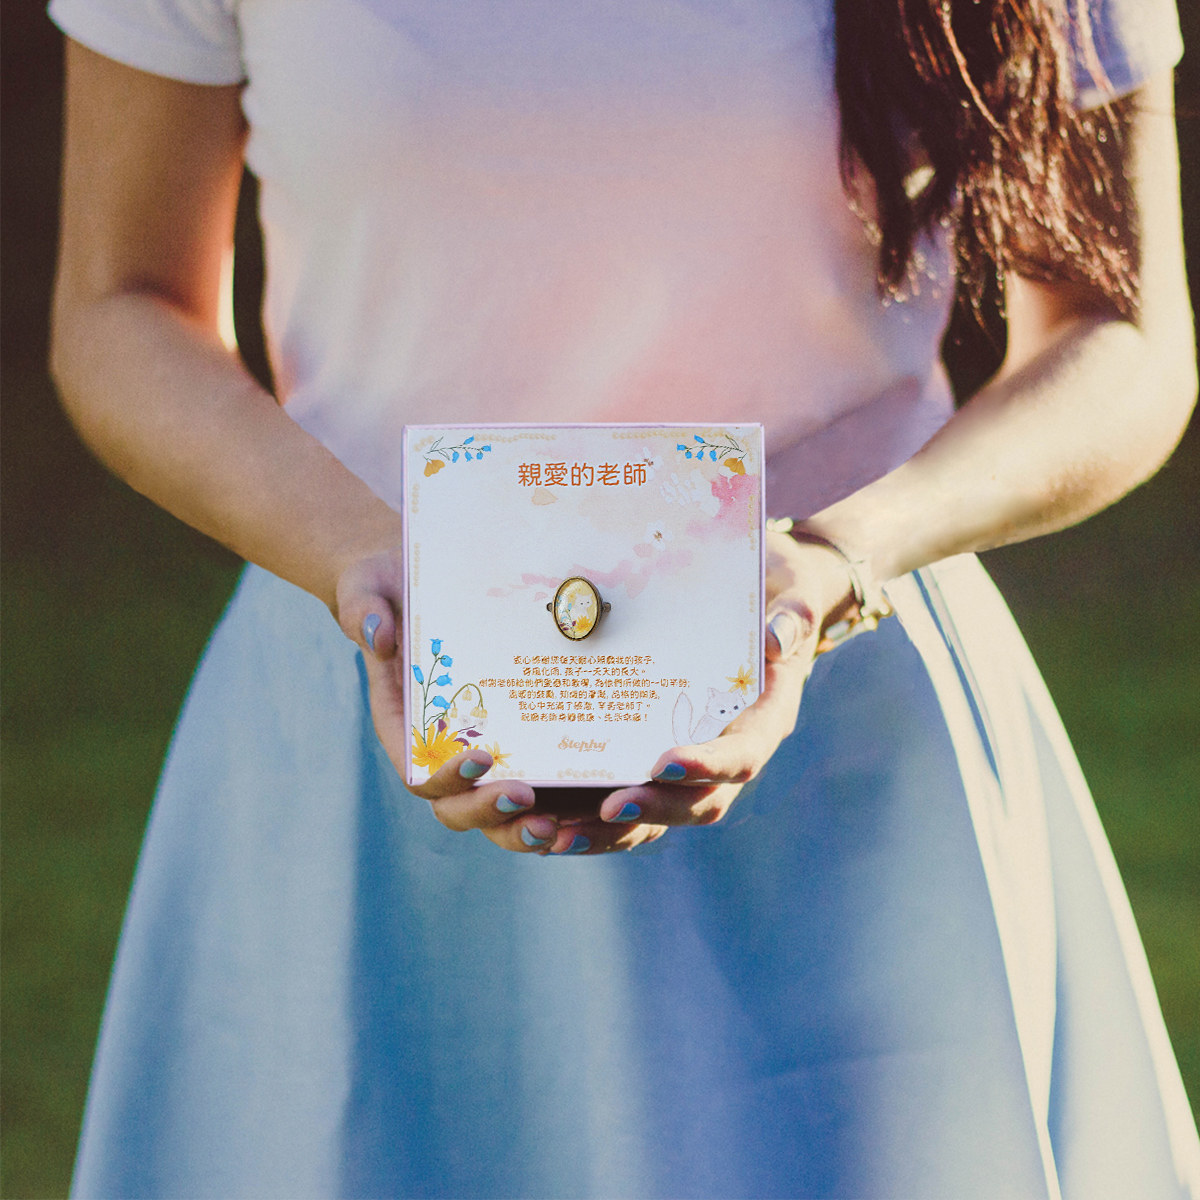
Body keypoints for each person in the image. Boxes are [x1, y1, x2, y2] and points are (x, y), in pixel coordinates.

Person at [48, 1, 1199, 1196]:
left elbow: (1120, 332)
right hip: (370, 715)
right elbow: (120, 302)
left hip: (842, 735)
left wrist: (843, 558)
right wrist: (358, 558)